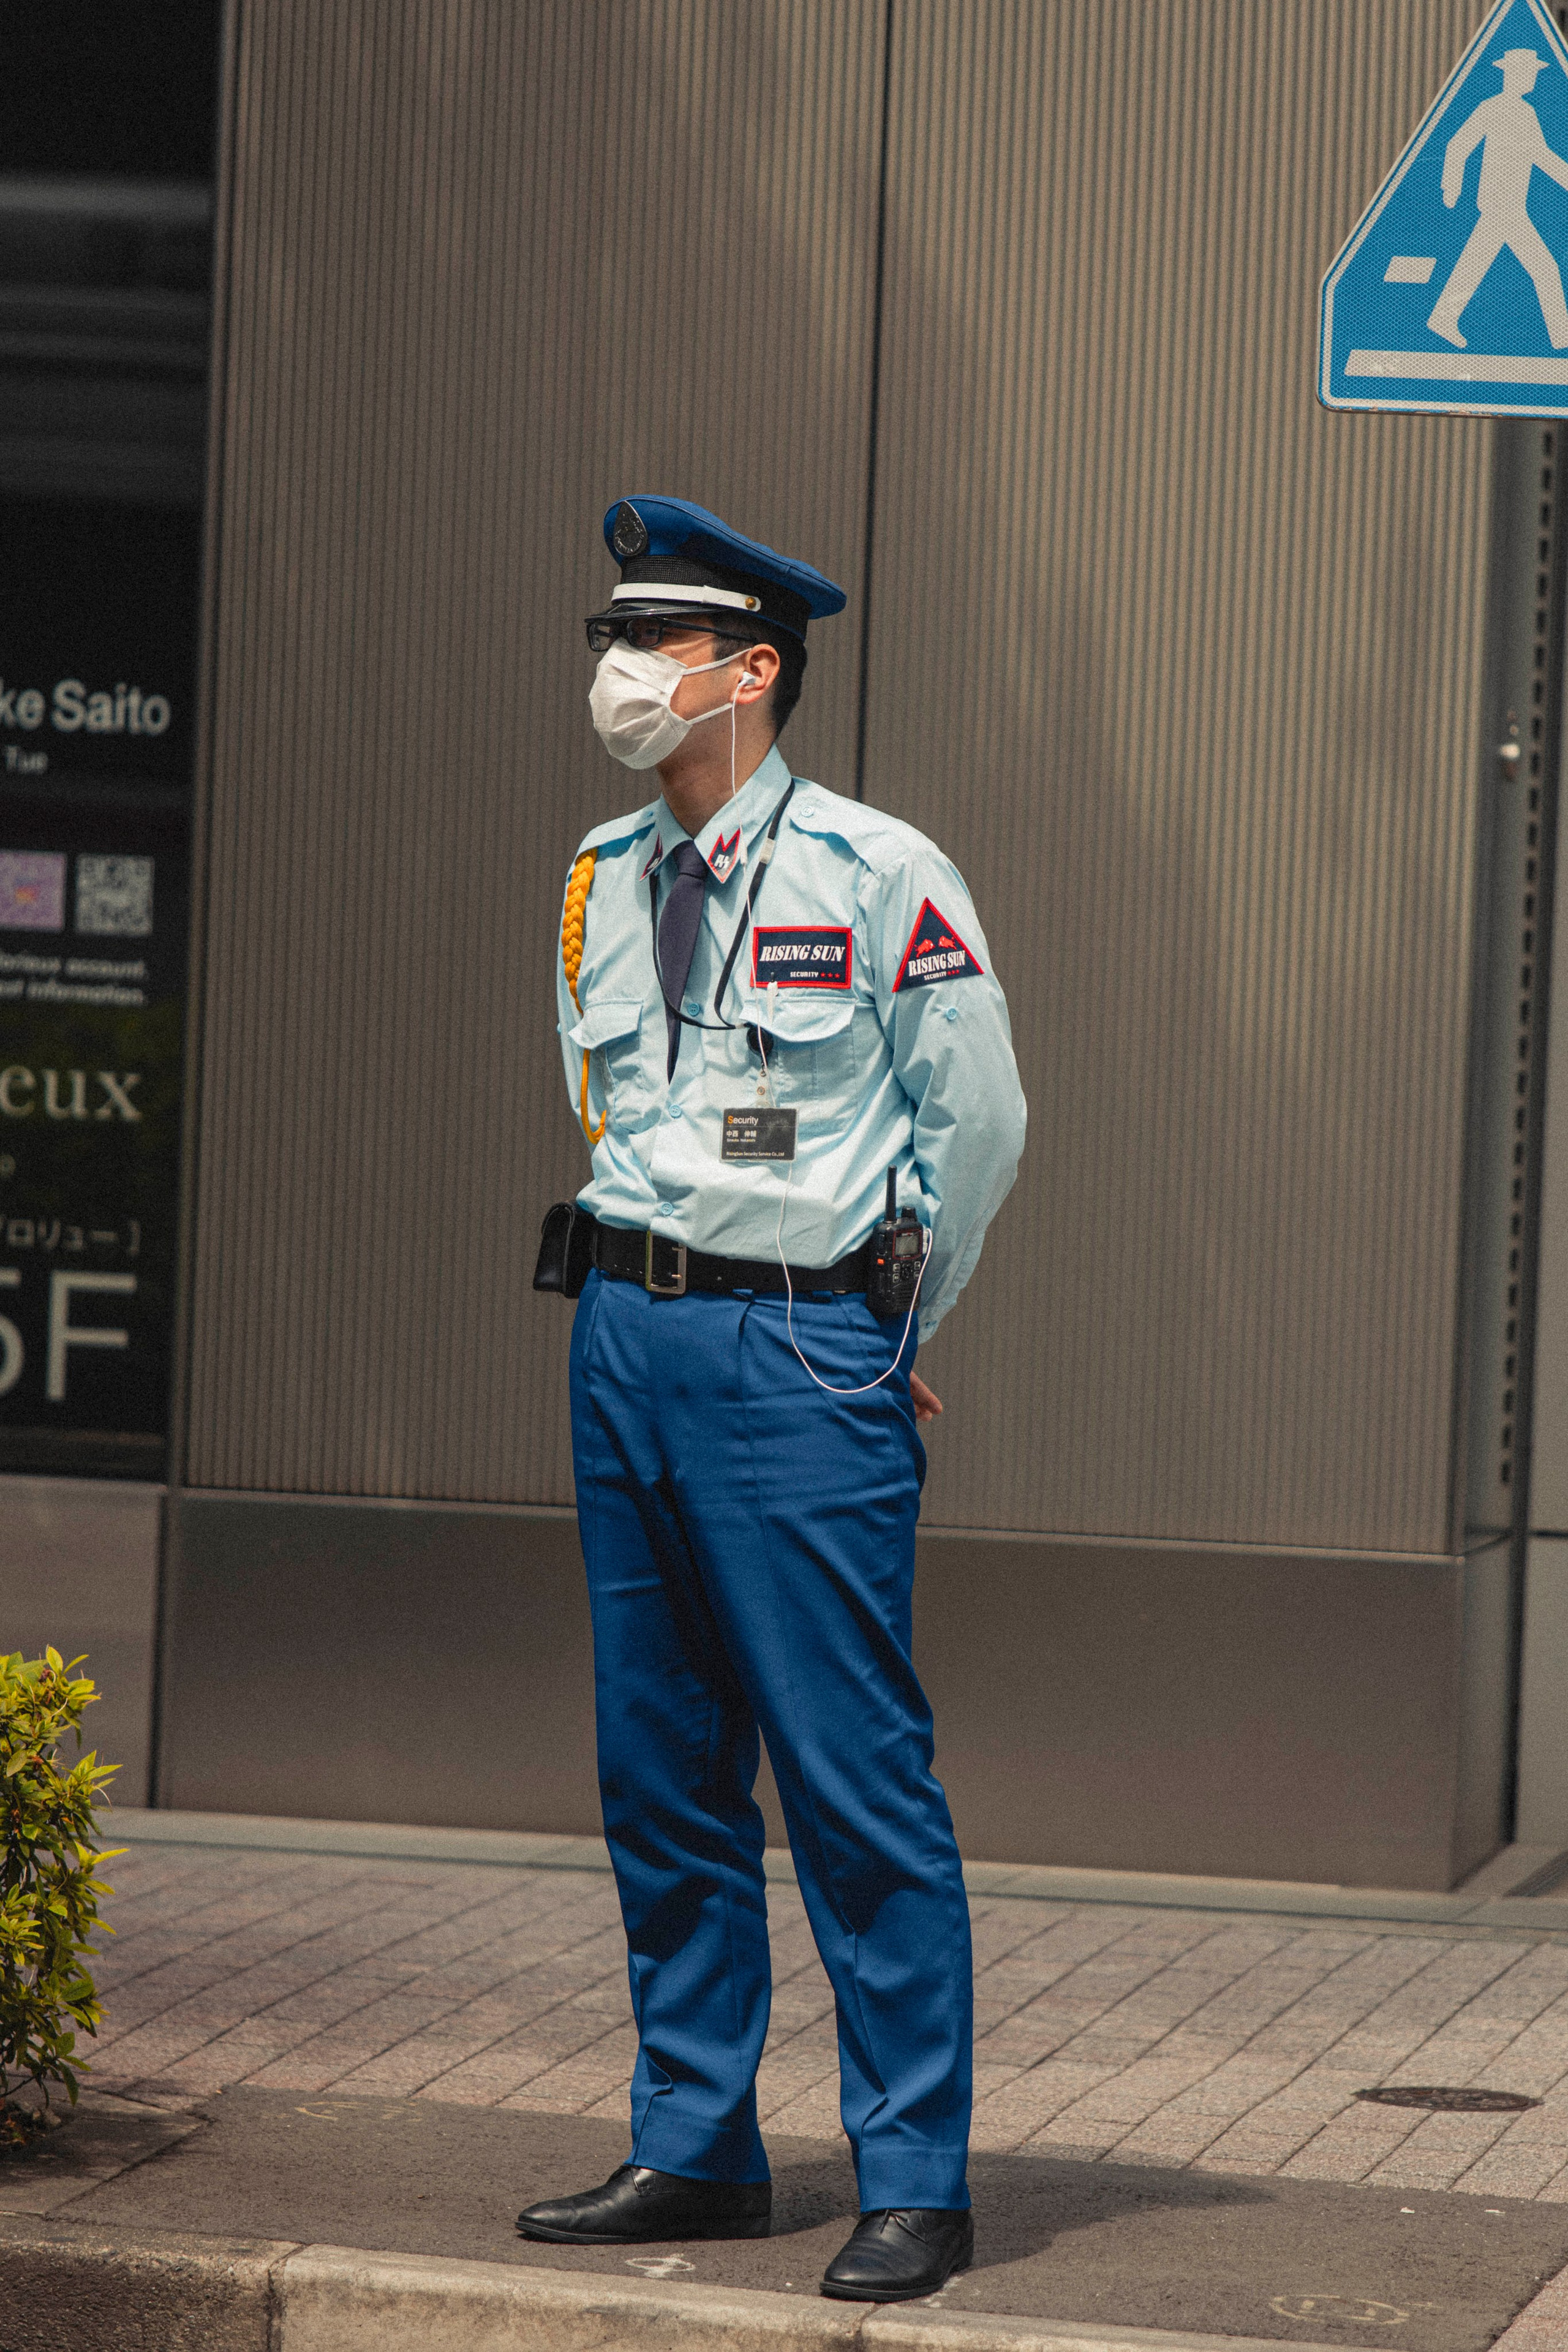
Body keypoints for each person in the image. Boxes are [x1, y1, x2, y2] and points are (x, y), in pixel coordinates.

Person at [519, 495, 1027, 2303]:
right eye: (610, 640)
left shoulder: (879, 872)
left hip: (803, 1352)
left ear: (751, 671)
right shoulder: (601, 871)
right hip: (628, 1341)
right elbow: (614, 1114)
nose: (618, 670)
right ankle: (694, 2146)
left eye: (650, 645)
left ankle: (915, 2173)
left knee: (848, 1771)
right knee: (660, 1771)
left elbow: (982, 1128)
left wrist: (891, 1327)